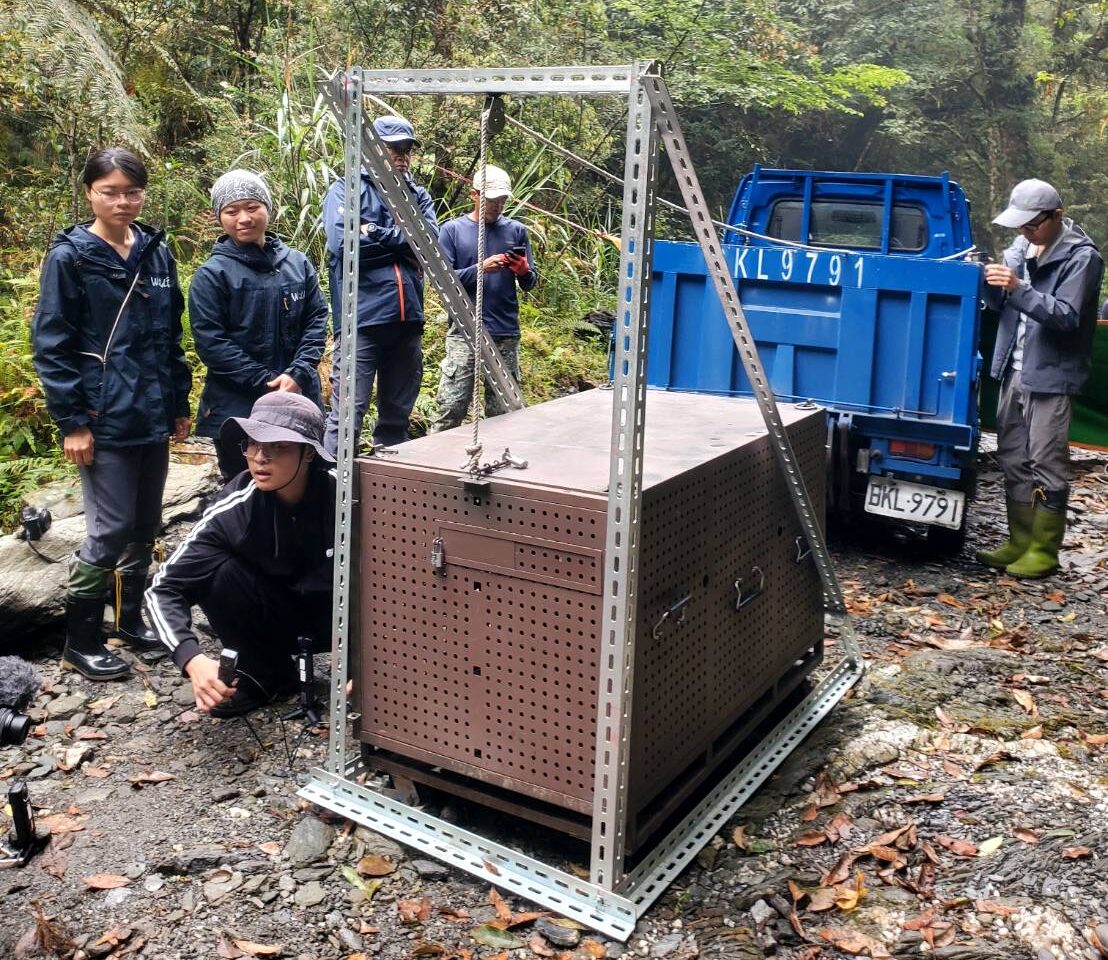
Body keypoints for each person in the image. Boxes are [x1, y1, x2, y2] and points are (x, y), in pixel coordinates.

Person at [31, 147, 191, 681]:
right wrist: (72, 422)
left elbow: (169, 335)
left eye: (132, 192)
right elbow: (52, 344)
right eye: (111, 192)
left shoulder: (155, 252)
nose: (123, 201)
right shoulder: (72, 258)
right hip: (103, 415)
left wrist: (178, 403)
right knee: (111, 527)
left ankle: (128, 618)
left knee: (144, 522)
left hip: (151, 411)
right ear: (90, 193)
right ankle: (80, 640)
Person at [145, 392, 335, 718]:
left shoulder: (349, 495)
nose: (260, 458)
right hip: (279, 619)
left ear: (308, 453)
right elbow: (162, 589)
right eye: (252, 444)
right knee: (218, 573)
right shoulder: (233, 508)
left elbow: (402, 579)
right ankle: (267, 675)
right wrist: (191, 658)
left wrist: (378, 662)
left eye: (278, 446)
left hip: (341, 621)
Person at [977, 179, 1104, 578]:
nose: (1025, 231)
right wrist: (989, 282)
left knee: (1046, 461)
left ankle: (1044, 550)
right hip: (1013, 369)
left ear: (1056, 216)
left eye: (1033, 224)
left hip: (1051, 375)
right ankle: (1020, 540)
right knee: (1013, 456)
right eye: (1021, 224)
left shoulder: (1082, 258)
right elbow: (1001, 303)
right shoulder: (1020, 247)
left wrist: (1017, 288)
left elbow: (1066, 316)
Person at [189, 170, 328, 481]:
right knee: (245, 490)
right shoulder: (212, 275)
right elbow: (212, 343)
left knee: (306, 485)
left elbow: (316, 319)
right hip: (237, 406)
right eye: (231, 211)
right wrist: (268, 381)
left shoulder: (297, 264)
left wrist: (298, 373)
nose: (244, 218)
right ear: (219, 217)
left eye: (252, 207)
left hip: (299, 399)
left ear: (267, 208)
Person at [322, 116, 439, 455]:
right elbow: (344, 246)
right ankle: (330, 482)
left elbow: (430, 244)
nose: (402, 155)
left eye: (407, 149)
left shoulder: (418, 196)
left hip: (408, 322)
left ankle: (391, 483)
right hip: (361, 320)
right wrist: (405, 246)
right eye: (394, 148)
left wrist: (373, 231)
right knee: (347, 417)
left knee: (396, 420)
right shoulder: (346, 189)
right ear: (372, 150)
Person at [430, 165, 536, 432]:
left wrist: (523, 271)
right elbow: (442, 280)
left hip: (505, 331)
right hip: (464, 331)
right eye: (491, 200)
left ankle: (500, 455)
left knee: (504, 412)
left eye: (501, 200)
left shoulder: (516, 230)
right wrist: (481, 269)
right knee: (450, 407)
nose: (496, 206)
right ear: (474, 195)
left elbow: (529, 283)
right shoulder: (452, 230)